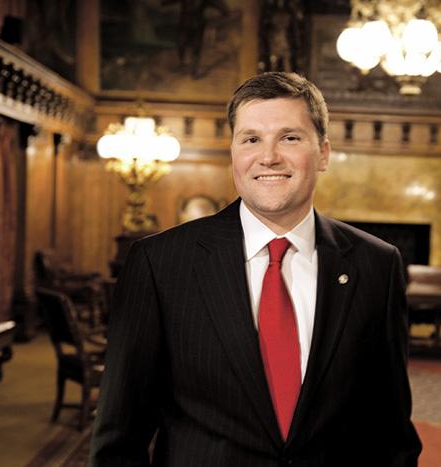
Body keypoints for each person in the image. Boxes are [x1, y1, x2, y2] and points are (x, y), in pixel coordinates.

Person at [89, 72, 422, 466]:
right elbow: (118, 440)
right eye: (251, 139)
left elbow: (390, 431)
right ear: (233, 153)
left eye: (290, 137)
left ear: (324, 153)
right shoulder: (159, 264)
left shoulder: (377, 265)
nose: (269, 157)